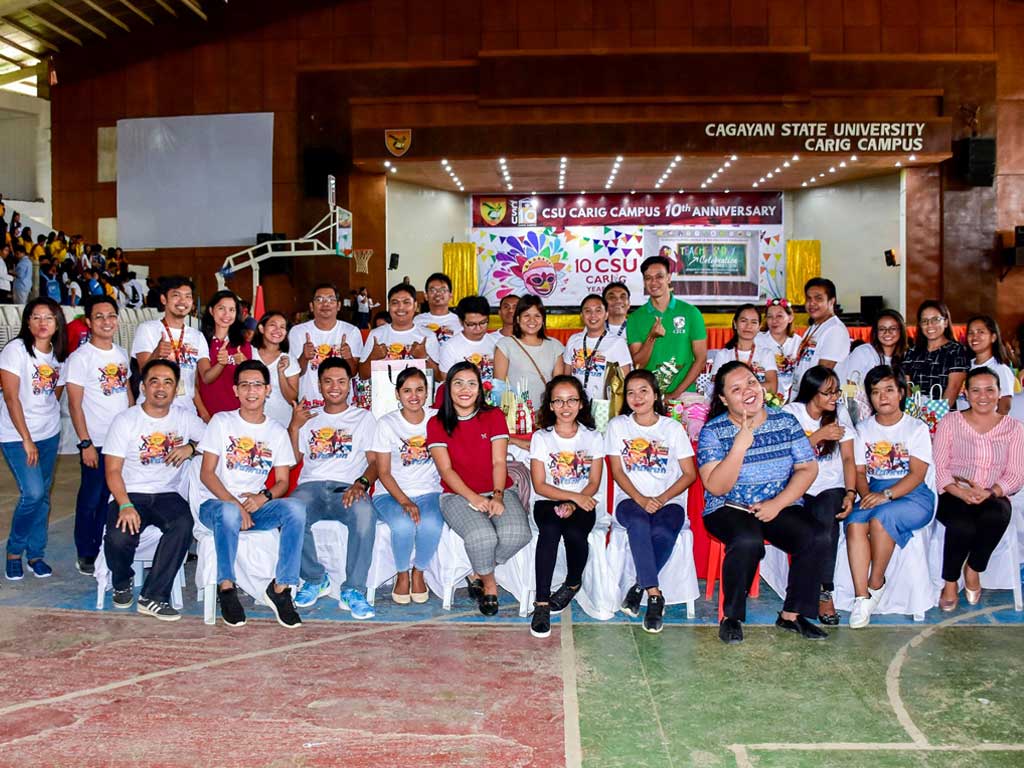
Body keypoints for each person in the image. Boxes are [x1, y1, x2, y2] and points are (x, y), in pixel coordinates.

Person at [698, 361, 827, 644]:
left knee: (818, 535)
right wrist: (740, 446)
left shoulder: (785, 421)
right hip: (728, 507)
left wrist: (778, 504)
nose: (747, 391)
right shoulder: (713, 431)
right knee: (747, 539)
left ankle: (791, 614)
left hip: (776, 504)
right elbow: (717, 486)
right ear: (723, 399)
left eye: (751, 383)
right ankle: (731, 616)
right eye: (736, 388)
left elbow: (808, 468)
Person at [197, 360, 305, 628]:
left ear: (268, 390)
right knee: (228, 512)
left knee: (295, 509)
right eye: (244, 385)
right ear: (236, 390)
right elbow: (207, 474)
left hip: (255, 507)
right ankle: (226, 587)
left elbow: (282, 481)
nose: (251, 391)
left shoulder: (276, 431)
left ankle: (281, 588)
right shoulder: (222, 422)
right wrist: (236, 505)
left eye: (257, 385)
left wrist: (262, 498)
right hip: (216, 506)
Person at [102, 359, 205, 620]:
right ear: (143, 386)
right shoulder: (126, 420)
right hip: (131, 492)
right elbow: (112, 470)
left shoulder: (184, 417)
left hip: (167, 493)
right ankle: (122, 580)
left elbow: (214, 439)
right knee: (118, 537)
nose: (161, 387)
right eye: (154, 381)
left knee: (183, 524)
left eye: (168, 382)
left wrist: (191, 448)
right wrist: (124, 504)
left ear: (175, 388)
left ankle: (154, 596)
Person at [427, 362, 531, 616]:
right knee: (482, 537)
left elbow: (499, 461)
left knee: (518, 534)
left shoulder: (493, 416)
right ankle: (490, 584)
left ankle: (477, 571)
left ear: (480, 389)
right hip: (457, 495)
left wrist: (497, 495)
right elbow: (446, 471)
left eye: (471, 384)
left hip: (499, 488)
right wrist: (473, 497)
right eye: (458, 383)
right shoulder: (436, 423)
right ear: (448, 388)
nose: (465, 389)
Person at [606, 369, 696, 634]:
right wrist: (642, 499)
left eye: (643, 390)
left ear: (655, 394)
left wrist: (662, 498)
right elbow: (618, 471)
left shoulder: (673, 428)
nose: (637, 397)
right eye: (631, 392)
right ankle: (655, 595)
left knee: (662, 529)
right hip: (630, 500)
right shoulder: (618, 426)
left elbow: (690, 474)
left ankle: (638, 586)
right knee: (638, 521)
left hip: (670, 501)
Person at [845, 365, 934, 629]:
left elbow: (918, 474)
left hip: (913, 496)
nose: (882, 397)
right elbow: (860, 472)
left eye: (889, 390)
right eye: (875, 392)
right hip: (874, 491)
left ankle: (876, 584)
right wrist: (867, 495)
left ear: (901, 393)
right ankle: (862, 597)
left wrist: (886, 495)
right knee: (854, 522)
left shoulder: (916, 428)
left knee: (882, 517)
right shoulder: (863, 429)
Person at [289, 358, 378, 618]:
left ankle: (353, 589)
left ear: (350, 385)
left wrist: (361, 483)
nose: (335, 387)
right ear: (319, 385)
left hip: (348, 487)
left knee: (365, 516)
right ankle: (315, 578)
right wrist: (294, 426)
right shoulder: (309, 418)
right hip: (311, 487)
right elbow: (293, 459)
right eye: (328, 381)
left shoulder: (364, 418)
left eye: (341, 381)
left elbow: (374, 462)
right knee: (291, 512)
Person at [934, 367, 1024, 610]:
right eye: (975, 390)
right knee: (962, 525)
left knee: (997, 515)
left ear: (999, 393)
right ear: (966, 393)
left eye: (989, 390)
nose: (982, 396)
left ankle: (973, 568)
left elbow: (1016, 473)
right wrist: (960, 491)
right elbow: (939, 467)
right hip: (953, 493)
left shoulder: (1014, 428)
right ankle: (950, 581)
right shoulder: (950, 422)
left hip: (992, 493)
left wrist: (991, 491)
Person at [61, 295, 133, 576]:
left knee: (112, 497)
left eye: (111, 316)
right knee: (91, 498)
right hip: (96, 442)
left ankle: (106, 546)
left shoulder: (121, 353)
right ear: (89, 322)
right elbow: (74, 404)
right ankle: (86, 552)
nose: (106, 321)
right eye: (99, 317)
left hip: (120, 441)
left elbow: (126, 392)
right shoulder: (80, 358)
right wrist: (85, 443)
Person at [529, 375, 605, 638]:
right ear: (550, 406)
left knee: (575, 533)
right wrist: (570, 499)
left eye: (571, 400)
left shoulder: (593, 437)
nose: (565, 406)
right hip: (548, 500)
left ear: (581, 403)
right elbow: (539, 485)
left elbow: (594, 480)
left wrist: (577, 502)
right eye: (558, 401)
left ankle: (573, 582)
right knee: (549, 531)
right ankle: (541, 602)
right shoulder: (541, 437)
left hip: (583, 499)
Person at [784, 365, 857, 625]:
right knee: (809, 527)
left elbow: (848, 459)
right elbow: (784, 454)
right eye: (827, 393)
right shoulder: (791, 413)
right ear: (811, 392)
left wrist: (850, 492)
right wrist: (818, 436)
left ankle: (824, 592)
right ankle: (803, 593)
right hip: (797, 486)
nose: (834, 397)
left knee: (826, 525)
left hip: (831, 486)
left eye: (836, 392)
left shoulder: (841, 415)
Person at [1, 298, 66, 580]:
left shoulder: (59, 353)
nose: (42, 323)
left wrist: (45, 420)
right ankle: (14, 551)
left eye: (48, 318)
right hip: (16, 435)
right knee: (33, 493)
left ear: (56, 323)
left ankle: (36, 553)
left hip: (49, 433)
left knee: (44, 498)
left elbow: (57, 392)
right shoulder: (15, 350)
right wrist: (26, 438)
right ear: (27, 321)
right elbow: (11, 396)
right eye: (36, 317)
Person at [369, 367, 444, 605]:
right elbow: (383, 472)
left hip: (429, 490)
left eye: (420, 390)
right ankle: (401, 573)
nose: (414, 396)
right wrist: (405, 501)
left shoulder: (437, 419)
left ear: (427, 392)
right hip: (390, 493)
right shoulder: (386, 423)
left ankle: (418, 571)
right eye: (407, 390)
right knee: (402, 525)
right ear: (397, 394)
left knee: (431, 523)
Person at [627, 255, 708, 397]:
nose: (654, 282)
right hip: (649, 397)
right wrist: (651, 337)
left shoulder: (691, 312)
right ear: (644, 282)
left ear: (669, 278)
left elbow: (701, 359)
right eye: (648, 278)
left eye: (659, 276)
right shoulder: (635, 318)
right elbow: (638, 364)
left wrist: (675, 394)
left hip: (685, 395)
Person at [131, 276, 210, 417]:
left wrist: (204, 413)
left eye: (188, 296)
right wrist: (156, 353)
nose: (182, 301)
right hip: (152, 411)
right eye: (176, 295)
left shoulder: (197, 336)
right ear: (163, 299)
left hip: (186, 412)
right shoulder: (147, 329)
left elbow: (194, 383)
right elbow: (143, 371)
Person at [287, 283, 362, 409]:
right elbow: (295, 374)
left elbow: (354, 372)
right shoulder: (297, 332)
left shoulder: (351, 331)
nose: (325, 304)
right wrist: (304, 357)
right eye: (319, 299)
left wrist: (348, 357)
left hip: (342, 406)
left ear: (338, 305)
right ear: (311, 306)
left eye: (331, 300)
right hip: (309, 405)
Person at [494, 294, 566, 418]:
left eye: (537, 316)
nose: (532, 321)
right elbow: (498, 386)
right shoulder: (505, 345)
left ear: (543, 319)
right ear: (517, 319)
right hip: (515, 415)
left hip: (546, 414)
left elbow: (558, 386)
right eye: (526, 316)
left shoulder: (555, 346)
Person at [360, 283, 440, 380]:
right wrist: (372, 357)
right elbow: (363, 375)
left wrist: (425, 357)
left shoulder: (428, 336)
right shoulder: (376, 334)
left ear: (415, 305)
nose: (400, 307)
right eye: (395, 303)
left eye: (406, 302)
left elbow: (438, 377)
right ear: (389, 306)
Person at [563, 294, 632, 402]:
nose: (593, 315)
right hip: (576, 404)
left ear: (606, 315)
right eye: (588, 311)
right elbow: (566, 376)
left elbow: (625, 380)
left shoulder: (618, 342)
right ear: (581, 315)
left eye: (598, 310)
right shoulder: (573, 340)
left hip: (604, 407)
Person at [196, 290, 253, 420]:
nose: (227, 314)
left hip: (236, 415)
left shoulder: (243, 345)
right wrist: (204, 413)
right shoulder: (200, 340)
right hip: (207, 416)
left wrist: (244, 364)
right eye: (221, 308)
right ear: (211, 310)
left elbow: (248, 382)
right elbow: (201, 380)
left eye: (232, 310)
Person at [901, 300, 968, 408]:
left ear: (945, 322)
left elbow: (953, 387)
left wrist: (934, 416)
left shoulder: (956, 351)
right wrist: (914, 411)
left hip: (944, 416)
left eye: (935, 320)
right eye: (924, 321)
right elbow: (909, 386)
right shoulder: (912, 352)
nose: (930, 325)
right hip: (916, 415)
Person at [791, 277, 850, 395]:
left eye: (818, 298)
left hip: (817, 400)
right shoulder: (814, 327)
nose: (812, 303)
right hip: (803, 397)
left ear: (831, 301)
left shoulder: (835, 329)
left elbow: (822, 375)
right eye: (808, 298)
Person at [709, 303, 779, 395]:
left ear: (759, 327)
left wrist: (737, 389)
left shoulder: (766, 354)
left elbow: (772, 387)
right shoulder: (723, 355)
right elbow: (716, 386)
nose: (748, 326)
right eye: (743, 321)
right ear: (735, 324)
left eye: (753, 322)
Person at [836, 309, 908, 390]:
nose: (887, 332)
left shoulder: (907, 356)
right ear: (875, 332)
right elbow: (849, 384)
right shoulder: (863, 352)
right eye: (882, 329)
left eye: (893, 328)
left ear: (901, 330)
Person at [251, 311, 300, 428]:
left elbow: (291, 399)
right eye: (273, 325)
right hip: (251, 421)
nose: (278, 330)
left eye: (282, 327)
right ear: (262, 328)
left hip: (281, 423)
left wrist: (281, 373)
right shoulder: (249, 353)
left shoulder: (289, 359)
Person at [439, 295, 498, 387]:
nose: (478, 328)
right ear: (461, 322)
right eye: (471, 324)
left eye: (483, 322)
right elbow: (448, 382)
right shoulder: (450, 347)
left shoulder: (496, 343)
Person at [963, 315, 1015, 415]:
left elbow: (1004, 407)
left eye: (980, 332)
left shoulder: (1000, 369)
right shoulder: (965, 366)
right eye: (970, 333)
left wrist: (989, 428)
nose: (974, 336)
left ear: (993, 337)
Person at [414, 272, 462, 347]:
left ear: (450, 295)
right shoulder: (417, 321)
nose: (438, 294)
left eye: (443, 290)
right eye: (433, 290)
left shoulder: (460, 322)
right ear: (426, 296)